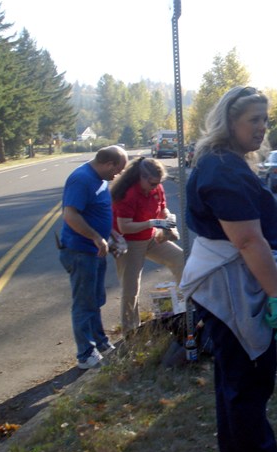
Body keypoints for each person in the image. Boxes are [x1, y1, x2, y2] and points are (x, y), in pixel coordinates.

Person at [179, 86, 277, 452]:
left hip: (229, 278)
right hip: (233, 285)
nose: (262, 128)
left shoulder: (224, 161)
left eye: (265, 120)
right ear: (229, 122)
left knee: (234, 385)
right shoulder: (223, 170)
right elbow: (249, 241)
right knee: (247, 384)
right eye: (254, 120)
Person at [58, 145, 128, 369]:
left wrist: (113, 235)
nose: (117, 175)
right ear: (108, 163)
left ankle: (100, 342)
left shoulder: (100, 180)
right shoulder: (82, 179)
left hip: (96, 250)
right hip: (80, 252)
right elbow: (70, 215)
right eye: (117, 169)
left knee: (96, 300)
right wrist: (97, 237)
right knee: (84, 304)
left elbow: (99, 213)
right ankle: (85, 355)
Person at [110, 157, 184, 336]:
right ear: (140, 177)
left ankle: (186, 306)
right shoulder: (127, 193)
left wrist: (168, 219)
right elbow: (124, 226)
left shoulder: (156, 187)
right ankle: (131, 333)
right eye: (152, 183)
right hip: (129, 243)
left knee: (181, 259)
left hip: (150, 238)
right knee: (131, 288)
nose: (155, 186)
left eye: (158, 183)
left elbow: (162, 208)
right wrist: (153, 222)